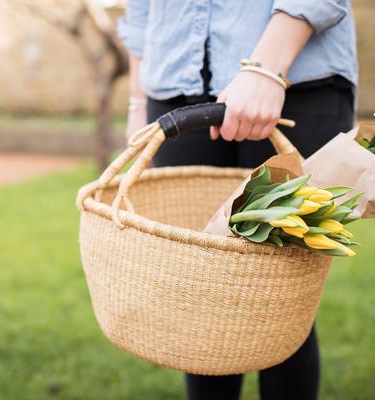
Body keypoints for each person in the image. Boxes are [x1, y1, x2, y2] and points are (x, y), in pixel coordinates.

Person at [118, 1, 357, 399]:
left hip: (295, 83)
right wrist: (137, 102)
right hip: (174, 89)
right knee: (201, 300)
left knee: (284, 297)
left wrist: (266, 69)